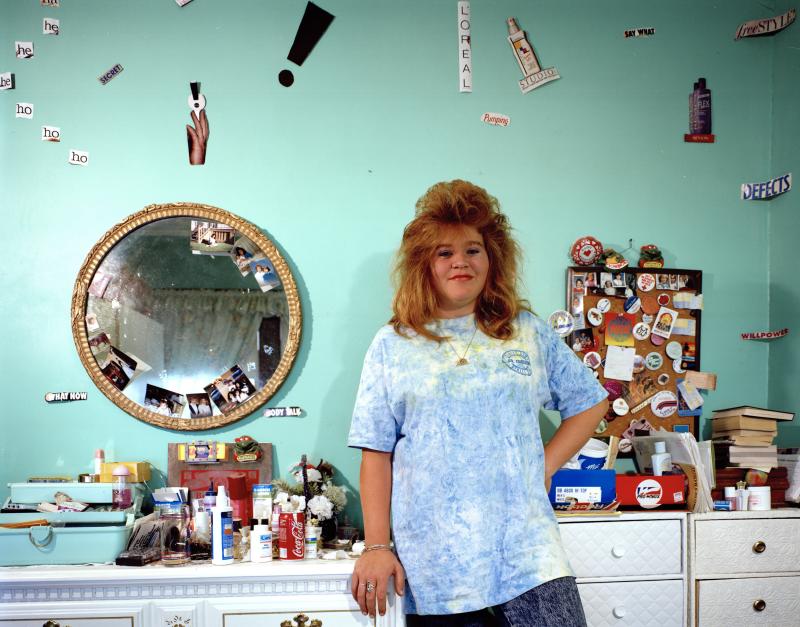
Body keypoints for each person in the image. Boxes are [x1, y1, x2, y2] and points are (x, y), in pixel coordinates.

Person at [348, 180, 609, 625]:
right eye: (444, 253)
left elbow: (590, 402)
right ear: (423, 265)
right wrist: (377, 547)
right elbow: (377, 452)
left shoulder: (525, 331)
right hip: (437, 568)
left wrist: (543, 465)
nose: (460, 263)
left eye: (473, 249)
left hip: (530, 556)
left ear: (492, 258)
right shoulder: (393, 344)